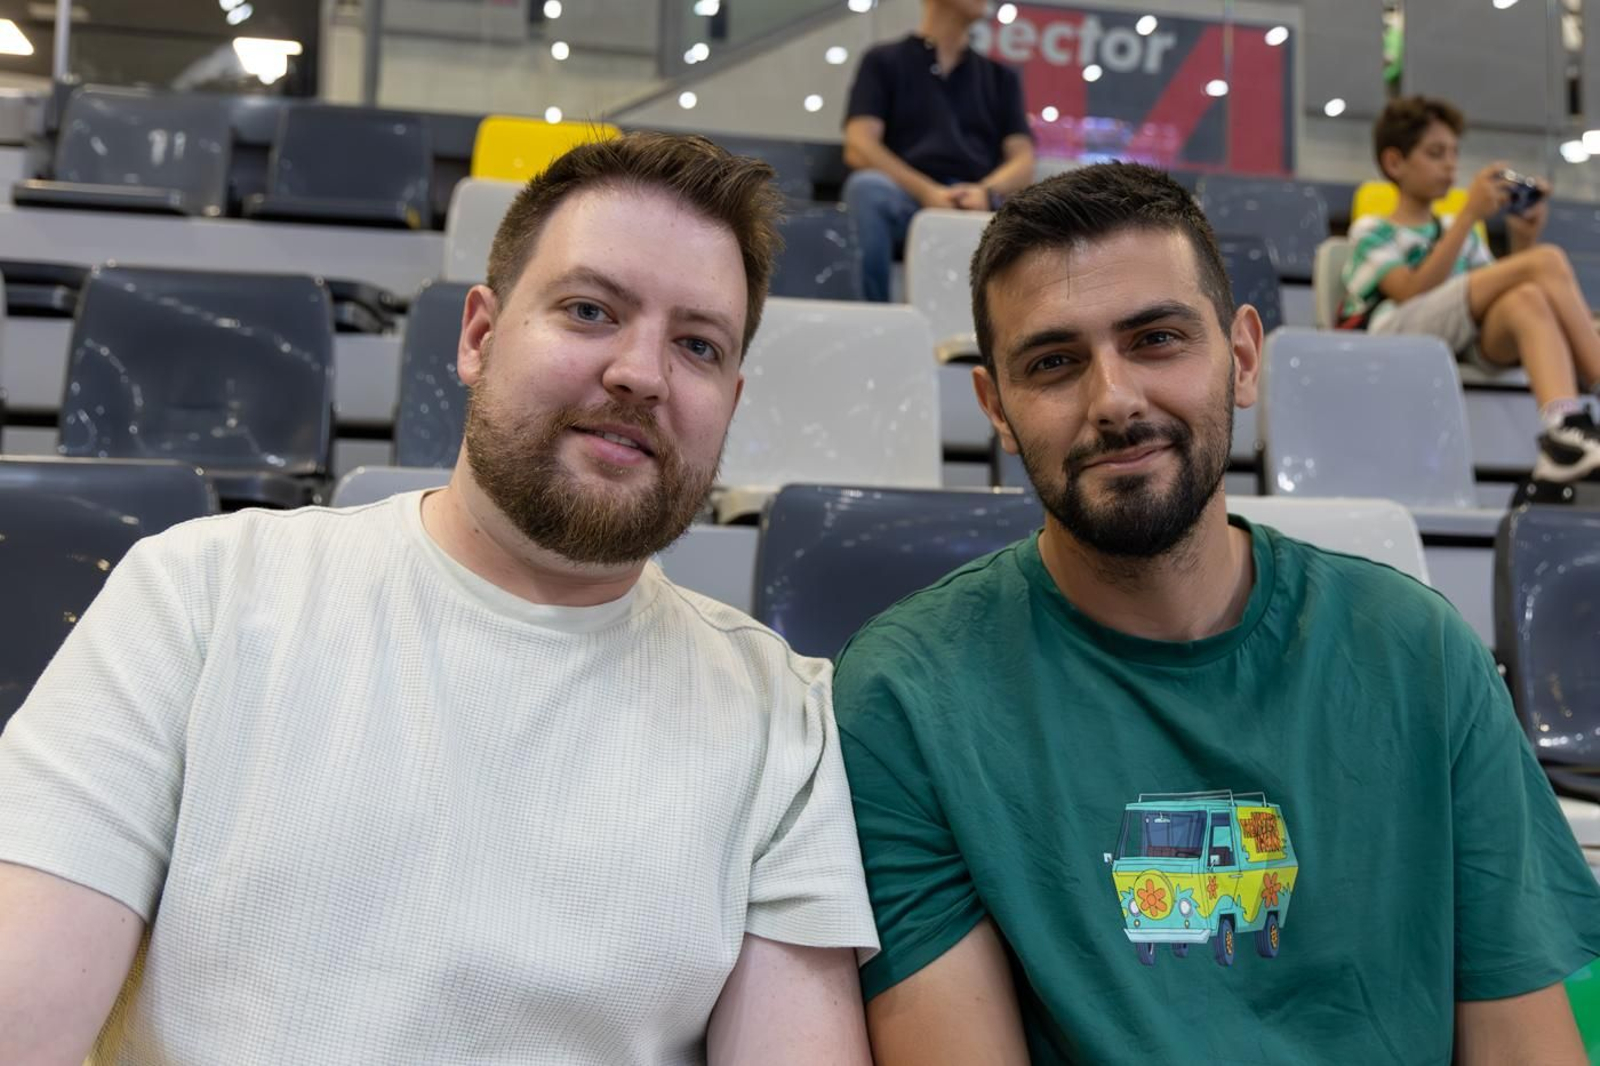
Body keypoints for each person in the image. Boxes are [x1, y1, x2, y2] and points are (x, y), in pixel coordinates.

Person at [0, 132, 878, 1065]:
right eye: (589, 310)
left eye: (697, 345)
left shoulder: (782, 715)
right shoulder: (202, 593)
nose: (640, 373)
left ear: (731, 402)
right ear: (479, 337)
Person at [834, 162, 1600, 1064]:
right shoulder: (905, 696)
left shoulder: (1423, 653)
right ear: (995, 407)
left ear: (1241, 358)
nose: (1114, 400)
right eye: (1053, 363)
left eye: (1156, 339)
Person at [1341, 95, 1600, 483]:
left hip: (1462, 337)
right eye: (1435, 153)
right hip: (1396, 334)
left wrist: (1522, 239)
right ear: (1395, 162)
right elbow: (1410, 292)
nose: (1450, 165)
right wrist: (1468, 217)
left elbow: (1506, 292)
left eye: (1454, 154)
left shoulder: (1461, 235)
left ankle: (1562, 429)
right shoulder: (1372, 230)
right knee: (1547, 261)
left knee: (1526, 298)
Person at [842, 0, 1035, 302]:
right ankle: (873, 316)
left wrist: (985, 191)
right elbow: (859, 145)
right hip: (906, 196)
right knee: (867, 190)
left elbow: (1023, 160)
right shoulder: (883, 61)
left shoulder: (1000, 78)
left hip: (976, 202)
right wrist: (926, 191)